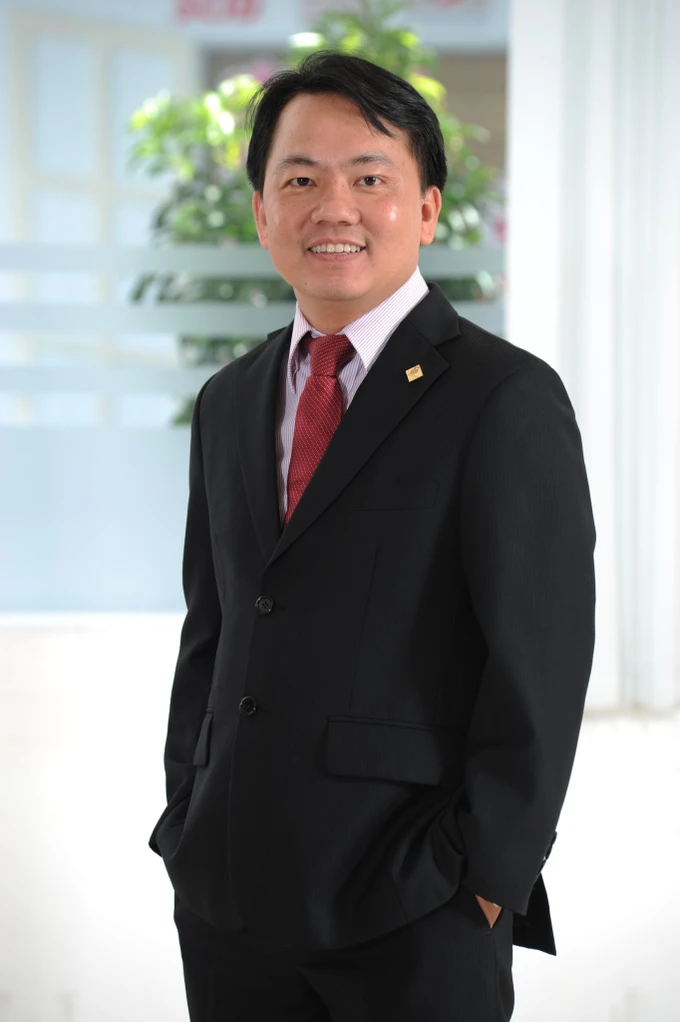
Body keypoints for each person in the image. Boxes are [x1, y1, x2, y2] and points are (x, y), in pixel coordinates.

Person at [149, 51, 596, 1022]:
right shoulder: (228, 400)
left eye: (368, 178)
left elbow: (541, 664)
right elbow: (213, 629)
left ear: (426, 209)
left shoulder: (503, 398)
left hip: (414, 905)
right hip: (229, 900)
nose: (333, 207)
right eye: (300, 180)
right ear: (261, 212)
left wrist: (485, 877)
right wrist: (186, 810)